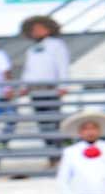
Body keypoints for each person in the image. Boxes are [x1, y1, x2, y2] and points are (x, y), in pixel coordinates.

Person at [19, 15, 70, 159]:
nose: (36, 32)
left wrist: (63, 84)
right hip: (35, 90)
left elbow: (62, 65)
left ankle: (58, 155)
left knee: (53, 122)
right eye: (34, 29)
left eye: (40, 29)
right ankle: (50, 154)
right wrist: (24, 86)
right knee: (42, 123)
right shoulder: (31, 49)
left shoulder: (56, 44)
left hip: (51, 89)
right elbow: (28, 70)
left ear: (48, 30)